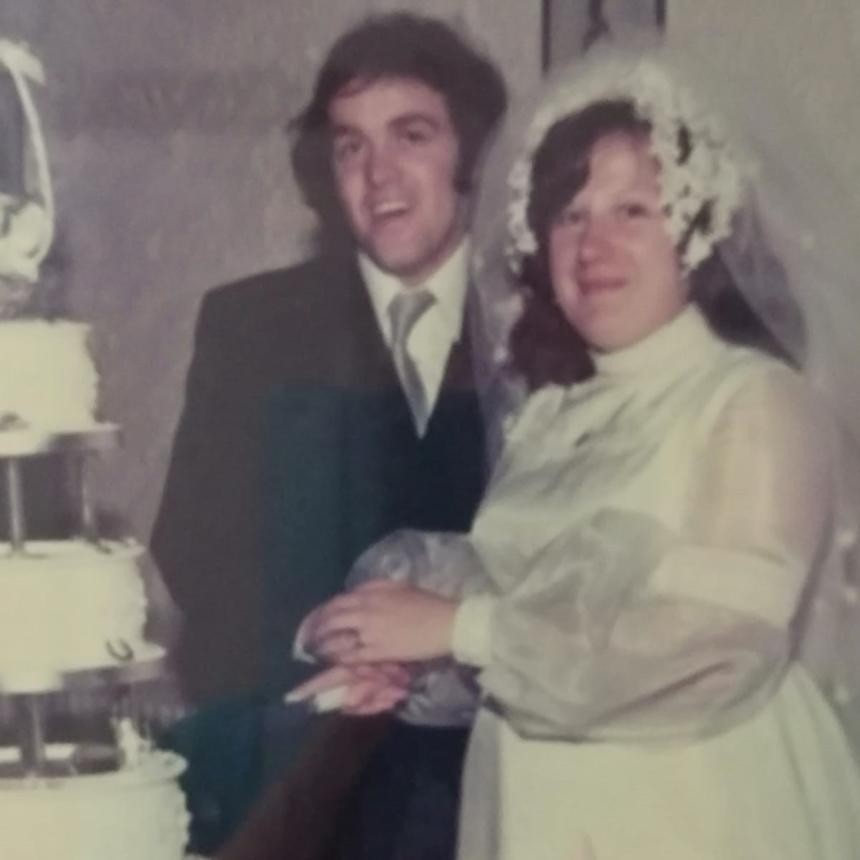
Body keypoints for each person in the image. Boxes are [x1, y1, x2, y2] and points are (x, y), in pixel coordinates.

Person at [293, 42, 860, 859]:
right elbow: (542, 622)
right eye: (570, 215)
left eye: (634, 211)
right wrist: (410, 657)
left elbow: (717, 650)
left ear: (700, 230)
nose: (593, 246)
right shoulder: (552, 412)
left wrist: (458, 629)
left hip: (690, 812)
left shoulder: (757, 401)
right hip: (534, 806)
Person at [150, 12, 506, 858]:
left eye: (410, 135)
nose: (378, 174)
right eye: (350, 147)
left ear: (472, 153)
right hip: (316, 783)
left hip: (511, 773)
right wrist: (317, 638)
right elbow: (194, 545)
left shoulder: (551, 321)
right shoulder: (251, 323)